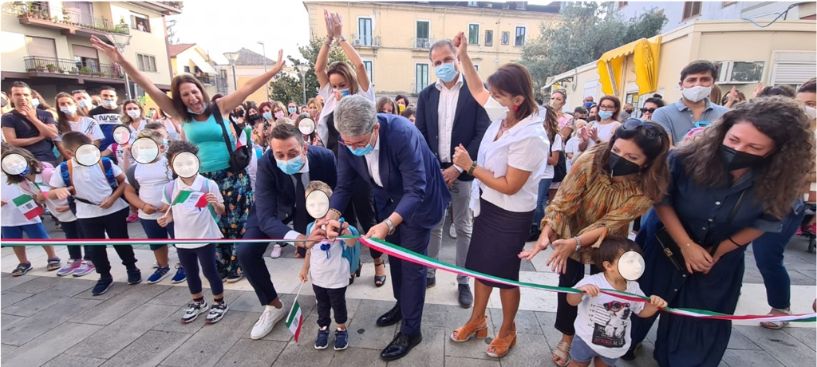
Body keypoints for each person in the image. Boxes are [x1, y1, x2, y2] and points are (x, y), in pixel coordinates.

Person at [627, 97, 814, 366]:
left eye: (754, 147)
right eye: (734, 140)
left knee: (695, 328)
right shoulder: (686, 158)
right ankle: (627, 344)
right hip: (666, 243)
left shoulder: (782, 179)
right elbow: (661, 199)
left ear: (778, 151)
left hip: (719, 257)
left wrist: (719, 250)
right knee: (637, 308)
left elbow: (765, 222)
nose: (739, 149)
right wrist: (687, 245)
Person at [91, 35, 286, 284]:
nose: (192, 98)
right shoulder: (179, 115)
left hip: (231, 176)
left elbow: (247, 88)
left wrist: (275, 70)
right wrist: (120, 59)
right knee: (210, 221)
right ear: (178, 99)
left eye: (194, 92)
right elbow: (146, 83)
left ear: (200, 91)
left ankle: (238, 266)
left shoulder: (220, 108)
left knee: (236, 223)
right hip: (201, 178)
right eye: (185, 95)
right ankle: (220, 266)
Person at [519, 118, 671, 367]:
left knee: (611, 290)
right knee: (571, 285)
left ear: (648, 163)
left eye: (632, 157)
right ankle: (568, 338)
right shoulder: (591, 158)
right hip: (571, 229)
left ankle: (603, 342)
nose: (620, 158)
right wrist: (548, 231)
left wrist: (576, 242)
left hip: (610, 241)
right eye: (617, 150)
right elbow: (564, 200)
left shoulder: (648, 187)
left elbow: (609, 223)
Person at [444, 31, 547, 359]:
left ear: (517, 99)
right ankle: (477, 320)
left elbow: (510, 185)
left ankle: (507, 329)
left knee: (504, 276)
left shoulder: (532, 136)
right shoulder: (504, 115)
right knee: (480, 267)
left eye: (498, 95)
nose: (491, 98)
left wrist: (470, 166)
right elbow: (476, 89)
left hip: (511, 214)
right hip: (487, 207)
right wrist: (463, 56)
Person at [323, 94, 450, 361]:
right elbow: (344, 184)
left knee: (412, 266)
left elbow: (416, 189)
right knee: (394, 257)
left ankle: (411, 330)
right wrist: (331, 215)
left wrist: (388, 223)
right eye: (347, 143)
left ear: (375, 128)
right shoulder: (347, 141)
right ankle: (403, 306)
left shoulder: (402, 133)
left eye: (358, 143)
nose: (352, 148)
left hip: (419, 201)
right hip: (386, 196)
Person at [237, 123, 336, 340]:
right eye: (279, 154)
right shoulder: (266, 163)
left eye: (292, 153)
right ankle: (273, 306)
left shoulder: (326, 157)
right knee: (245, 251)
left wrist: (331, 221)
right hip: (277, 210)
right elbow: (265, 217)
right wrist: (299, 239)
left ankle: (325, 287)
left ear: (305, 148)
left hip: (316, 207)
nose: (285, 159)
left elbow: (338, 195)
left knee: (328, 240)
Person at [415, 39, 491, 307]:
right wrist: (436, 168)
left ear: (457, 58)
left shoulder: (473, 91)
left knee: (463, 227)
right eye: (437, 62)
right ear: (431, 65)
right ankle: (430, 271)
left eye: (448, 59)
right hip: (435, 172)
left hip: (465, 173)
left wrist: (458, 168)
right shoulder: (426, 95)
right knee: (434, 225)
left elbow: (483, 132)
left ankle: (463, 280)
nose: (443, 65)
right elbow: (421, 134)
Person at [314, 11, 383, 286]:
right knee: (342, 216)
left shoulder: (361, 97)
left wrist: (341, 38)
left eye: (342, 85)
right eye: (333, 86)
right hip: (335, 164)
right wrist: (328, 40)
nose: (337, 89)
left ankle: (379, 264)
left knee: (367, 215)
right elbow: (319, 69)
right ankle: (352, 263)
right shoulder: (329, 100)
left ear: (350, 83)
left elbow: (361, 67)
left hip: (360, 164)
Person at [48, 132, 139, 295]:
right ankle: (104, 276)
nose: (89, 153)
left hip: (114, 210)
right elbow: (52, 192)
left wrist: (112, 198)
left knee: (121, 241)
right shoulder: (63, 169)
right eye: (83, 151)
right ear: (69, 153)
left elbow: (123, 182)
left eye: (90, 149)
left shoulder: (104, 163)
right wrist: (59, 191)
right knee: (96, 248)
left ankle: (132, 268)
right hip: (86, 214)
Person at [567, 237, 668, 367]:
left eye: (638, 261)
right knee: (577, 364)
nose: (636, 265)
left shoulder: (634, 288)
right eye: (629, 262)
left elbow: (641, 310)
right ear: (608, 266)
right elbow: (571, 301)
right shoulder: (593, 282)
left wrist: (654, 306)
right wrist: (580, 291)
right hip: (585, 339)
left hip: (614, 345)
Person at [158, 140, 229, 324]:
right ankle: (198, 301)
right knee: (190, 271)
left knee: (210, 270)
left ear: (196, 160)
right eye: (177, 162)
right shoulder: (170, 187)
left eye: (187, 161)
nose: (183, 166)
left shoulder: (208, 184)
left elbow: (221, 210)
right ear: (171, 165)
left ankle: (219, 302)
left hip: (205, 236)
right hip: (182, 238)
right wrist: (166, 219)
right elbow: (169, 212)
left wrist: (215, 203)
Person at [298, 180, 357, 351]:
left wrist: (345, 232)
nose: (317, 208)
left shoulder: (339, 225)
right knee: (321, 305)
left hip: (337, 276)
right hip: (318, 277)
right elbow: (309, 250)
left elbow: (352, 244)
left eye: (322, 203)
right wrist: (304, 268)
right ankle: (323, 328)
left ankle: (341, 329)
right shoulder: (311, 227)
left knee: (338, 304)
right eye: (312, 203)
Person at [123, 129, 185, 284]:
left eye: (148, 146)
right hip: (148, 215)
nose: (144, 150)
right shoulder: (134, 169)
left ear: (161, 147)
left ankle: (184, 265)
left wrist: (171, 203)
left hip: (173, 212)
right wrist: (142, 206)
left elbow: (184, 186)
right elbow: (129, 192)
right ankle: (162, 266)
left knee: (179, 240)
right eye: (141, 147)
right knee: (156, 242)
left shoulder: (171, 165)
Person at [1, 144, 61, 276]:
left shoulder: (14, 165)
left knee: (40, 235)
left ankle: (52, 257)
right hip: (5, 214)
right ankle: (24, 262)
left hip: (25, 204)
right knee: (13, 240)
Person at [652, 60, 729, 144]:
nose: (698, 84)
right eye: (692, 80)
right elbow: (666, 148)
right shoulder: (663, 114)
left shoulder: (725, 114)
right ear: (681, 85)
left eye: (704, 79)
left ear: (713, 83)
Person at [2, 81, 59, 165]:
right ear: (10, 97)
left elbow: (53, 134)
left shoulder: (45, 114)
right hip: (24, 161)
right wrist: (39, 138)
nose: (22, 97)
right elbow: (12, 142)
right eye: (17, 94)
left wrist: (33, 119)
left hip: (47, 160)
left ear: (31, 96)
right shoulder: (8, 117)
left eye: (26, 95)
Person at [531, 106, 562, 240]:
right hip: (531, 173)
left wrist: (538, 153)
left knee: (538, 203)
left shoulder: (555, 136)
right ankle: (538, 227)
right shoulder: (533, 132)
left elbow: (554, 160)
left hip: (545, 175)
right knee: (533, 202)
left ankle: (539, 228)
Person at [54, 92, 105, 160]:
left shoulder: (90, 121)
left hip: (90, 157)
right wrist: (74, 160)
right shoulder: (57, 125)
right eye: (62, 104)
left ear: (75, 104)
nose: (66, 105)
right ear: (59, 107)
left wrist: (88, 156)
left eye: (69, 103)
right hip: (71, 160)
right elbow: (60, 145)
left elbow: (97, 140)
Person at [88, 85, 123, 152]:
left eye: (111, 96)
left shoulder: (123, 111)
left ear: (116, 98)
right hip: (101, 150)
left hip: (120, 150)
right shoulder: (93, 113)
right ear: (100, 97)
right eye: (105, 95)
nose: (108, 98)